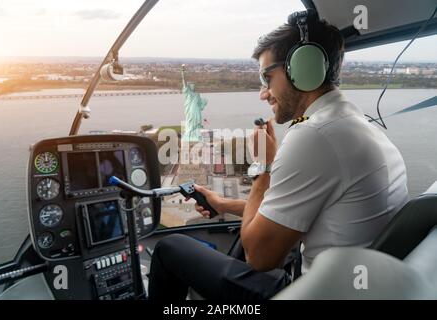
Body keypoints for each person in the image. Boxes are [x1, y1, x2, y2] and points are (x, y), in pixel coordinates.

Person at [147, 13, 409, 300]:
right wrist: (223, 204)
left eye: (267, 77)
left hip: (312, 291)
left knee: (170, 249)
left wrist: (263, 166)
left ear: (304, 68)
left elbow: (259, 258)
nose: (263, 93)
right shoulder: (352, 123)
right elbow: (288, 209)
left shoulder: (316, 135)